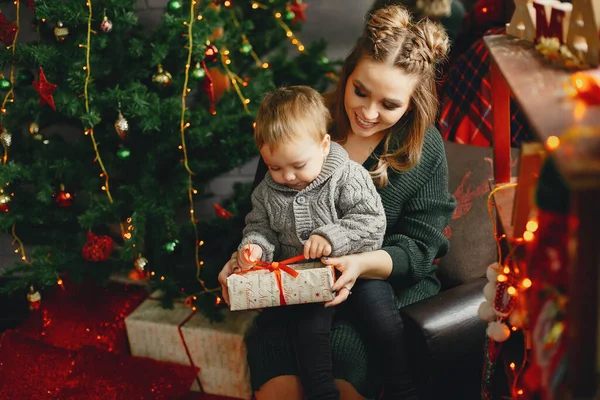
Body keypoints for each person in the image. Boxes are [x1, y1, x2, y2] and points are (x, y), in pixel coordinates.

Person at [219, 4, 457, 400]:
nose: (367, 112)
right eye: (360, 91)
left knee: (346, 368)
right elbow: (265, 214)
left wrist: (360, 264)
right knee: (279, 385)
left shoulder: (421, 148)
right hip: (300, 290)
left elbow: (420, 248)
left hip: (381, 290)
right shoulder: (306, 123)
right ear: (347, 74)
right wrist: (242, 263)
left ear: (414, 101)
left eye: (389, 104)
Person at [235, 85, 388, 400]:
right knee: (307, 327)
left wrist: (330, 236)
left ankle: (394, 384)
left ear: (323, 145)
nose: (288, 176)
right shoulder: (266, 192)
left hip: (350, 276)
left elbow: (372, 223)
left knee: (377, 322)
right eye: (275, 167)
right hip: (299, 285)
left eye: (298, 166)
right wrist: (255, 247)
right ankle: (322, 391)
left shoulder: (346, 176)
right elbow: (260, 226)